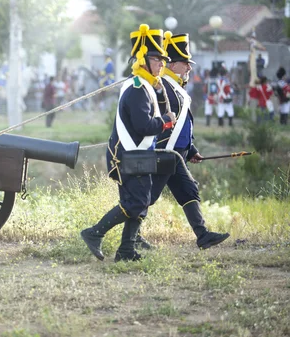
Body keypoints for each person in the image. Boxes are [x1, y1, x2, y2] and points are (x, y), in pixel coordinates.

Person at [80, 24, 176, 262]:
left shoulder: (145, 86)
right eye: (157, 59)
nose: (162, 64)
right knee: (136, 203)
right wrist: (165, 121)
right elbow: (143, 125)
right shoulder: (136, 88)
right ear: (143, 60)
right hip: (128, 155)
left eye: (163, 60)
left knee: (138, 204)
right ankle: (94, 233)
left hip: (138, 153)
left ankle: (126, 251)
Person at [142, 32, 229, 250]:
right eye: (184, 63)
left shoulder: (176, 87)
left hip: (177, 153)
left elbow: (182, 125)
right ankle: (125, 236)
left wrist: (190, 150)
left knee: (188, 191)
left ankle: (202, 235)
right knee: (147, 196)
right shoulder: (162, 86)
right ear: (171, 64)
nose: (189, 67)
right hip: (164, 151)